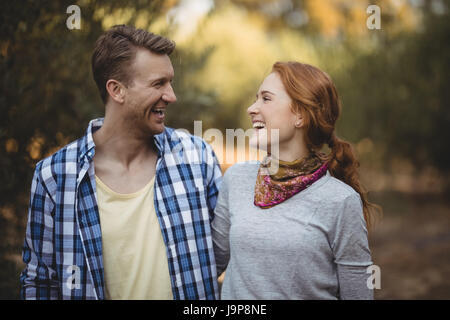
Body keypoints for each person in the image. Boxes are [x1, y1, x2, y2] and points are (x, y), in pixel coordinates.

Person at [20, 25, 222, 300]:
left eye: (170, 82)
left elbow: (226, 252)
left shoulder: (197, 158)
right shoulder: (54, 176)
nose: (171, 96)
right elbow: (40, 283)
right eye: (158, 84)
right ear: (117, 90)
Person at [212, 61, 379, 300]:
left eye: (266, 99)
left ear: (300, 115)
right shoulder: (236, 179)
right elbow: (209, 268)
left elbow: (358, 294)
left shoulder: (340, 201)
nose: (252, 108)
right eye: (255, 98)